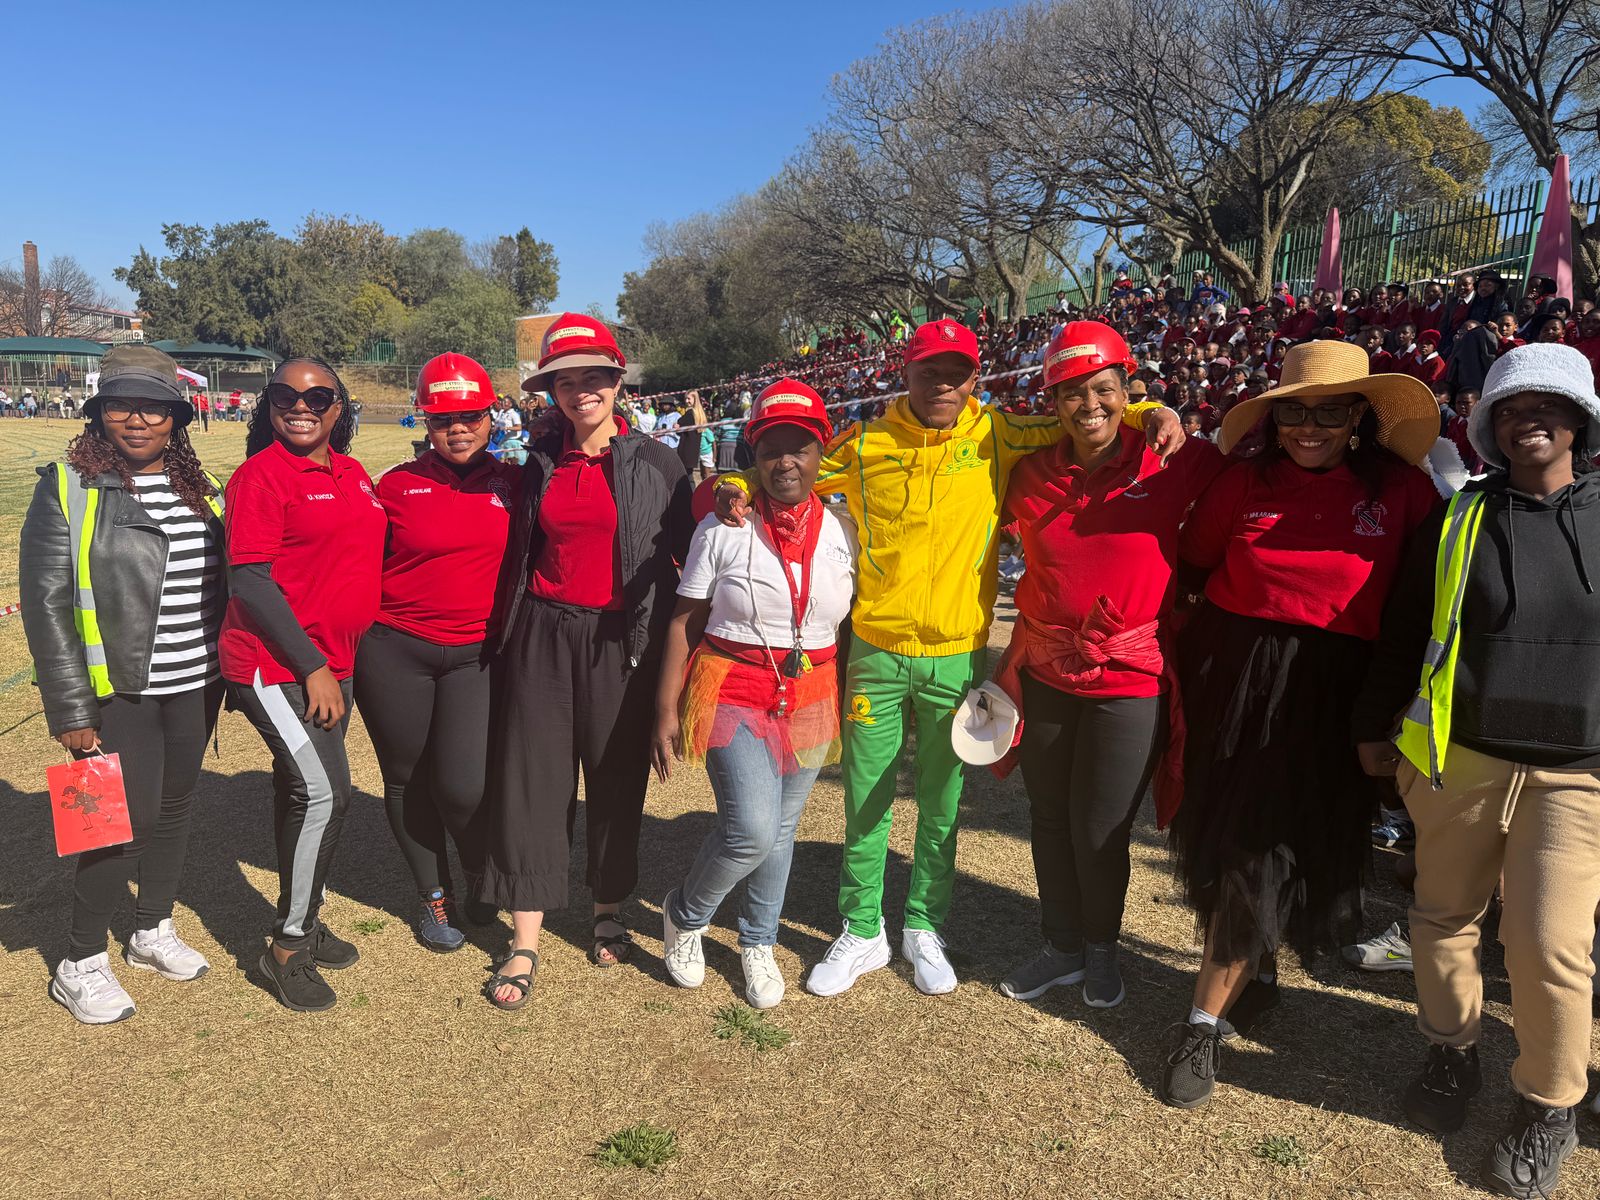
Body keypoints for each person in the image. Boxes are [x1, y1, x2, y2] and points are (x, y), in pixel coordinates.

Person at [715, 319, 1183, 998]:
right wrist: (731, 482)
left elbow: (1084, 414)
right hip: (877, 652)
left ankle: (923, 927)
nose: (944, 385)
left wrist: (1149, 409)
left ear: (975, 377)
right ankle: (862, 930)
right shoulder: (866, 443)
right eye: (929, 371)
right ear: (905, 374)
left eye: (957, 373)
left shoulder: (999, 433)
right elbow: (788, 466)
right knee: (866, 802)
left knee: (941, 804)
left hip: (960, 657)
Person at [1158, 339, 1442, 1109]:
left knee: (1286, 841)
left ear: (1359, 418)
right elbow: (1193, 565)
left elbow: (1427, 601)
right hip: (1236, 678)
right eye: (1294, 414)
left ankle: (1243, 976)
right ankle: (1208, 1015)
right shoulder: (1242, 481)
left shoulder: (1406, 493)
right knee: (1237, 839)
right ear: (1274, 420)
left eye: (1329, 413)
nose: (1309, 428)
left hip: (1342, 690)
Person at [1355, 343, 1600, 1198]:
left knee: (1548, 944)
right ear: (1491, 425)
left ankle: (1550, 1102)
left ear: (1579, 421)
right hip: (1461, 759)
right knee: (1442, 917)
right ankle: (1451, 1052)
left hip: (1577, 775)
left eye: (1549, 405)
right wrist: (1372, 728)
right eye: (1512, 407)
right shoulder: (1458, 517)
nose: (1530, 419)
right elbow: (1405, 632)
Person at [991, 325, 1226, 1008]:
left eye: (1103, 389)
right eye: (1072, 394)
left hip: (1130, 679)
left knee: (1101, 827)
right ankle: (1061, 946)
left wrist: (1164, 413)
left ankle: (1100, 948)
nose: (1089, 405)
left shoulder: (1172, 458)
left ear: (1127, 390)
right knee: (1048, 816)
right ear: (1053, 403)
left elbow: (1248, 469)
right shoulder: (1028, 472)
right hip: (1046, 670)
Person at [473, 314, 693, 1009]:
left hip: (620, 642)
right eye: (566, 382)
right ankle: (525, 938)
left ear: (618, 382)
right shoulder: (538, 462)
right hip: (542, 634)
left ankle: (607, 906)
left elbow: (693, 556)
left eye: (594, 377)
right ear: (552, 393)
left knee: (615, 776)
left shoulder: (659, 465)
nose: (581, 391)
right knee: (531, 783)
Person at [21, 346, 225, 1025]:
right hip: (118, 694)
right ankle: (80, 962)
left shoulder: (205, 489)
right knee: (115, 824)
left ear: (177, 418)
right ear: (98, 413)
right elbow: (47, 603)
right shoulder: (67, 487)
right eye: (120, 405)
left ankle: (151, 929)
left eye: (154, 407)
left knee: (173, 809)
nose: (137, 419)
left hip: (195, 683)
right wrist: (70, 707)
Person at [653, 381, 856, 1008]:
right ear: (754, 456)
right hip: (733, 685)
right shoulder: (722, 527)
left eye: (800, 448)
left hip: (813, 690)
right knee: (751, 829)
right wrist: (664, 708)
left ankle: (758, 940)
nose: (786, 462)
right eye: (771, 450)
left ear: (821, 454)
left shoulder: (845, 530)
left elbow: (847, 625)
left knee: (783, 830)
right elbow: (684, 622)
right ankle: (685, 914)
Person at [221, 358, 387, 1012]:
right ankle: (288, 946)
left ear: (338, 408)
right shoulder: (260, 476)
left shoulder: (353, 473)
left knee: (301, 791)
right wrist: (311, 664)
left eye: (317, 397)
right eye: (284, 395)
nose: (300, 406)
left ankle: (305, 917)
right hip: (278, 666)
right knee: (325, 794)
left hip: (335, 662)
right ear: (267, 405)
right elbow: (251, 579)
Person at [353, 353, 519, 953]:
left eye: (471, 416)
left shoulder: (515, 482)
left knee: (463, 786)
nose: (459, 429)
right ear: (425, 421)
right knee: (406, 779)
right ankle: (433, 895)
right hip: (396, 650)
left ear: (491, 417)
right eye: (443, 418)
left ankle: (478, 870)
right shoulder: (393, 486)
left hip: (475, 655)